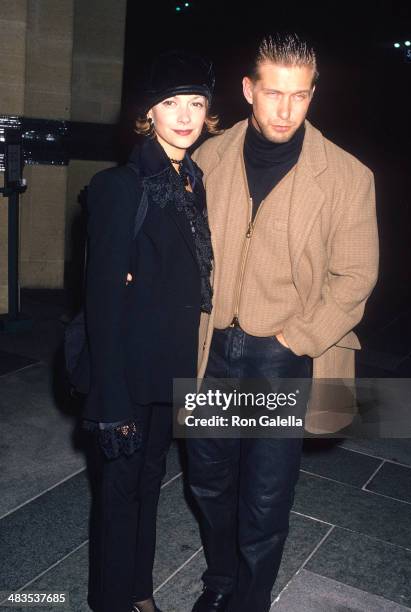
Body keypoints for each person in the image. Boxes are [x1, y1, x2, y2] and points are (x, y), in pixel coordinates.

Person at [188, 33, 379, 612]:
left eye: (299, 96)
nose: (285, 110)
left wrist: (294, 339)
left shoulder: (347, 177)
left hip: (282, 357)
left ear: (312, 94)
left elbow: (356, 277)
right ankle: (220, 580)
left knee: (266, 498)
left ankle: (251, 599)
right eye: (273, 93)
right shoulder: (206, 158)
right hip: (211, 349)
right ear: (249, 90)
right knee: (207, 480)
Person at [83, 50, 217, 612]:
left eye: (195, 102)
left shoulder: (193, 180)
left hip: (171, 371)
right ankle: (113, 600)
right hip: (129, 378)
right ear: (148, 114)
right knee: (119, 496)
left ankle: (139, 593)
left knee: (148, 488)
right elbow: (100, 304)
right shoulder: (121, 186)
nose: (184, 115)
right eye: (169, 103)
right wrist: (110, 401)